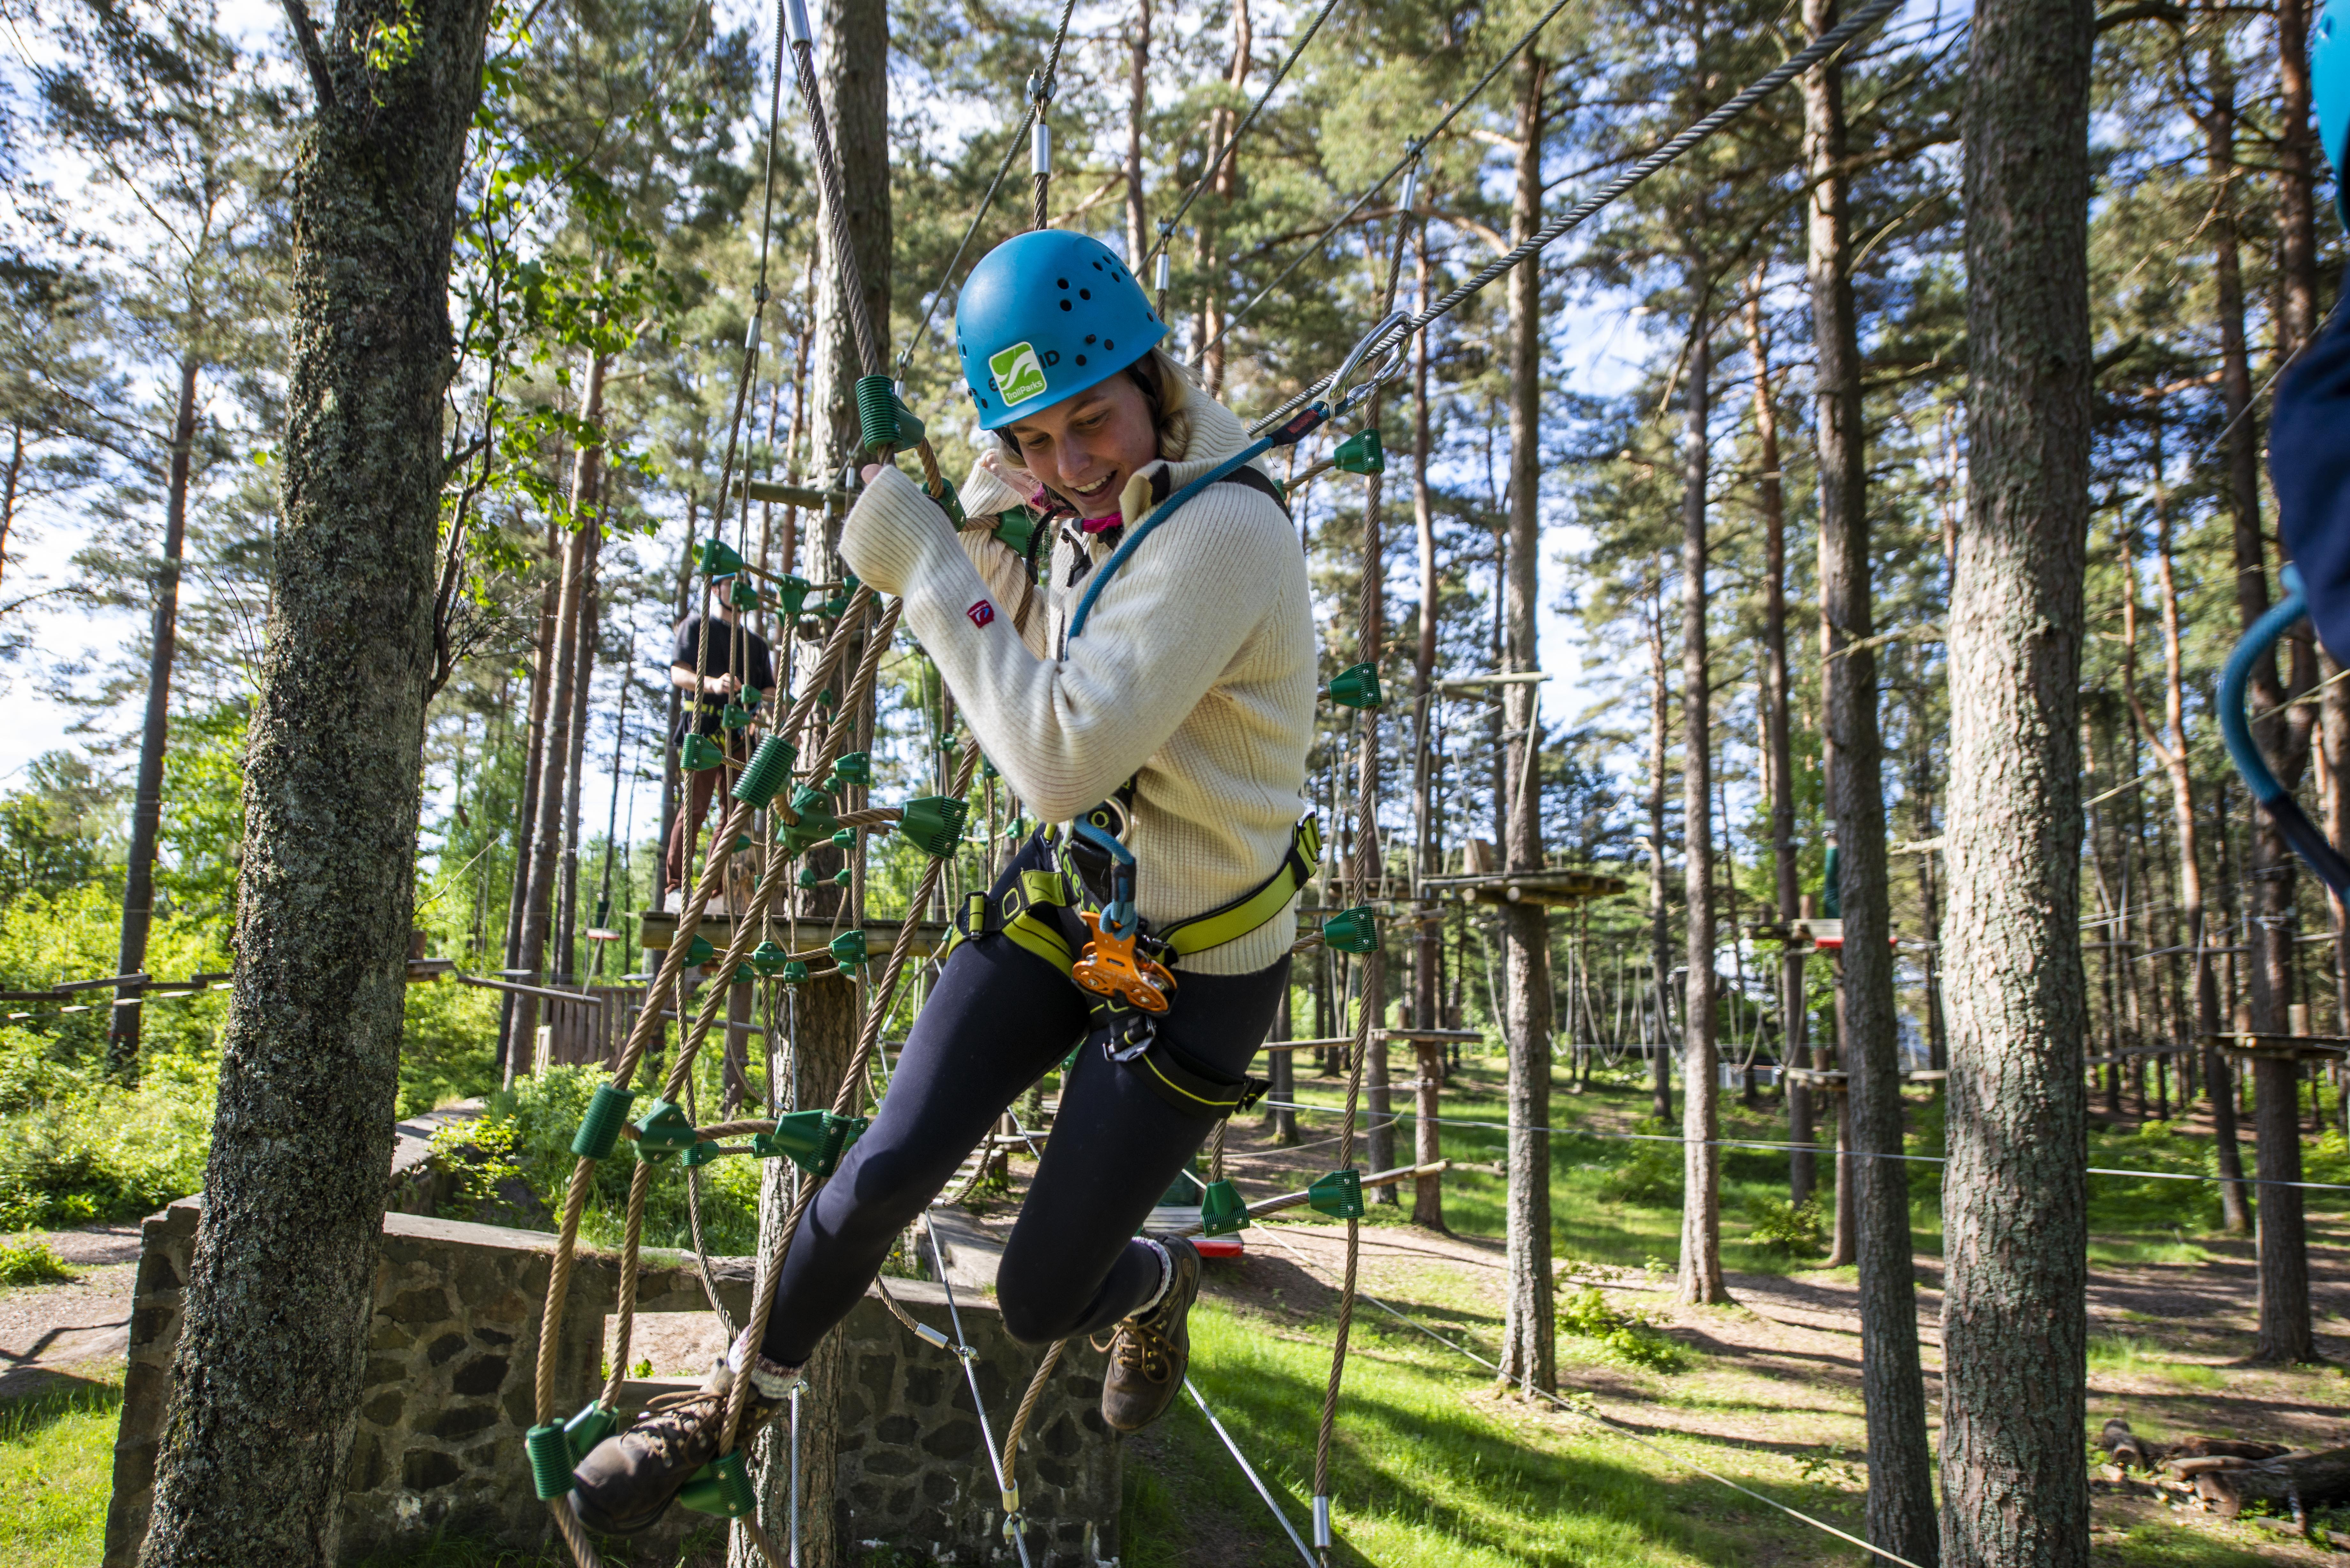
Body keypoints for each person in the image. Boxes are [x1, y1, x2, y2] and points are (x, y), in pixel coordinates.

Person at [570, 228, 1317, 1533]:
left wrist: (928, 561)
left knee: (1037, 1297)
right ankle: (729, 1399)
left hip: (1198, 966)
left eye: (1090, 421)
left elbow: (1057, 756)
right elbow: (1036, 621)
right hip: (1077, 908)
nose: (1066, 464)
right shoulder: (1097, 509)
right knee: (882, 1165)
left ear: (1153, 377)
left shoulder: (1225, 530)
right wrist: (985, 513)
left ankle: (1150, 1289)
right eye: (1031, 440)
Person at [662, 588, 776, 897]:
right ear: (716, 589)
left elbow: (769, 693)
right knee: (695, 808)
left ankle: (711, 890)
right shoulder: (696, 627)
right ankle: (675, 887)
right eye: (730, 583)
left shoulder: (756, 644)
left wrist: (765, 710)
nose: (738, 590)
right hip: (704, 728)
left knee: (734, 814)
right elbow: (678, 673)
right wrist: (712, 683)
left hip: (740, 736)